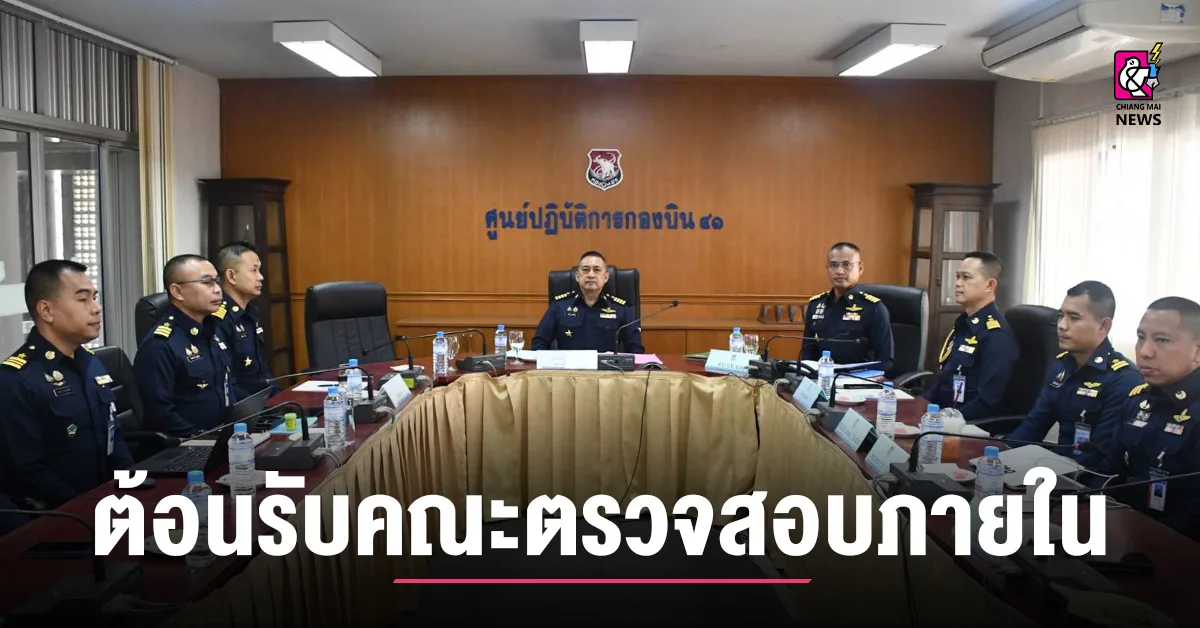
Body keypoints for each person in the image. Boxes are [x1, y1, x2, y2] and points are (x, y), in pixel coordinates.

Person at [0, 260, 132, 510]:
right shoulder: (16, 379)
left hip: (108, 500)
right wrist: (84, 507)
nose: (96, 308)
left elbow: (113, 437)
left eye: (95, 298)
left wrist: (132, 487)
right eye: (83, 299)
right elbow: (28, 470)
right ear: (46, 310)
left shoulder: (91, 363)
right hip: (60, 514)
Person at [1098, 297, 1200, 541]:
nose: (1144, 352)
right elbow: (1110, 472)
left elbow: (1195, 514)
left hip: (1173, 545)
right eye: (1141, 337)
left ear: (1197, 351)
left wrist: (1140, 540)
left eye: (1162, 340)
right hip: (1121, 528)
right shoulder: (1138, 400)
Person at [1008, 281, 1142, 466]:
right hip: (1057, 468)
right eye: (1061, 316)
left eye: (1074, 318)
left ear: (1103, 326)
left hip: (1088, 477)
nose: (1062, 325)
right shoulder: (1061, 367)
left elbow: (1101, 457)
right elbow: (1034, 426)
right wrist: (997, 456)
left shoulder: (1123, 379)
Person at [134, 254, 233, 437]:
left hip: (224, 433)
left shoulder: (212, 330)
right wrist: (206, 438)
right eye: (207, 282)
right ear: (177, 291)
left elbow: (226, 388)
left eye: (217, 281)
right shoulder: (160, 345)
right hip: (189, 442)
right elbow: (160, 415)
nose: (218, 290)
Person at [922, 251, 1019, 419]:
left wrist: (943, 420)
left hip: (967, 423)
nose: (958, 283)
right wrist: (919, 404)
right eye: (957, 277)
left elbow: (987, 401)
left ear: (990, 285)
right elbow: (945, 382)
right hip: (944, 414)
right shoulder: (964, 324)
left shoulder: (996, 335)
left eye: (966, 277)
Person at [801, 242, 894, 372]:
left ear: (860, 268)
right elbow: (807, 355)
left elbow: (885, 362)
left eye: (847, 265)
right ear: (827, 268)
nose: (839, 271)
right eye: (834, 265)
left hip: (859, 379)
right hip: (821, 377)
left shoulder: (874, 309)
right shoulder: (816, 305)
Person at [532, 251, 644, 354]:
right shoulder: (559, 306)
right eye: (585, 270)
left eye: (597, 270)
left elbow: (636, 349)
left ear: (606, 277)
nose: (591, 275)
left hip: (608, 368)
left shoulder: (621, 309)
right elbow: (539, 343)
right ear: (577, 276)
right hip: (568, 368)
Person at [214, 241, 278, 399]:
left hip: (262, 401)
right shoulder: (218, 319)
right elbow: (225, 382)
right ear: (231, 276)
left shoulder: (250, 313)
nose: (261, 277)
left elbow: (262, 371)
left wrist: (281, 398)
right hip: (242, 406)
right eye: (254, 270)